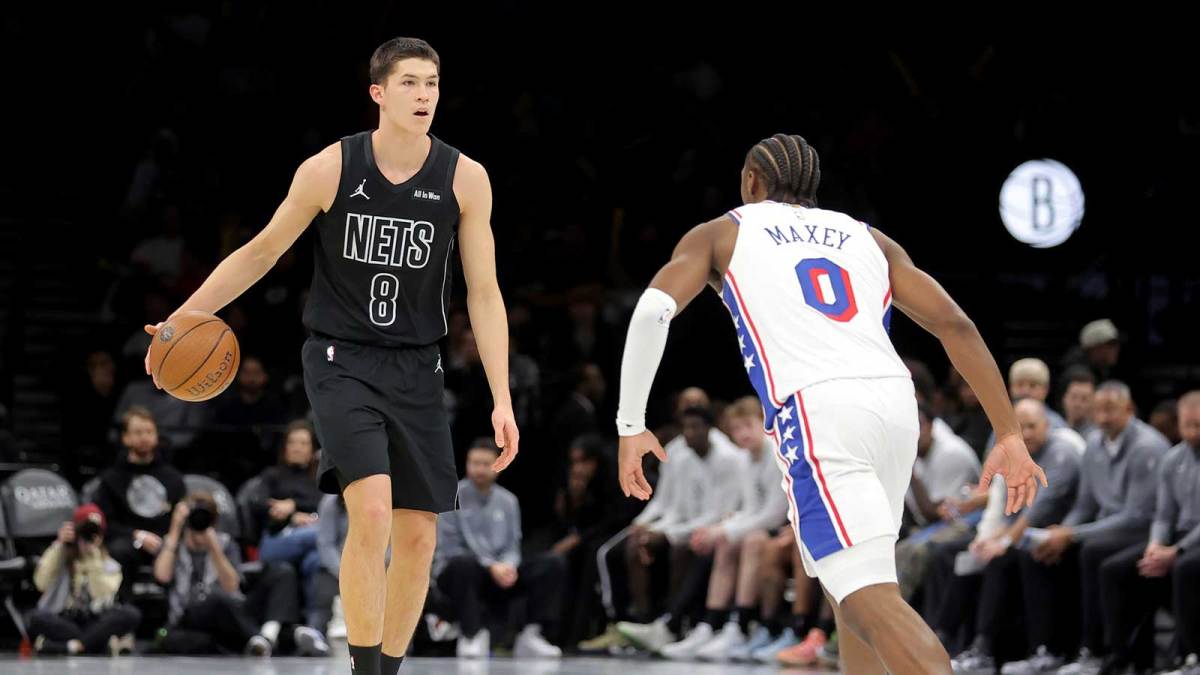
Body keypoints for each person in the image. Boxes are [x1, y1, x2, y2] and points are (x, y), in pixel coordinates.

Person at [142, 37, 518, 675]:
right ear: (378, 92)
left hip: (417, 367)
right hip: (342, 361)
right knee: (369, 511)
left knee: (420, 537)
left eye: (431, 83)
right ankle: (361, 668)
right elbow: (261, 252)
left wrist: (502, 397)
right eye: (409, 83)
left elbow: (484, 293)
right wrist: (186, 316)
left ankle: (388, 669)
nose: (424, 95)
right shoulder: (330, 168)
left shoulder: (465, 178)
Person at [613, 133, 1046, 675]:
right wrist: (1007, 433)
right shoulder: (870, 238)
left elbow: (653, 311)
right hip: (894, 406)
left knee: (870, 598)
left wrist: (631, 423)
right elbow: (954, 323)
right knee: (853, 593)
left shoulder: (723, 232)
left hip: (819, 411)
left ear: (751, 182)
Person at [28, 504, 142, 656]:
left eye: (95, 533)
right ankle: (95, 644)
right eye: (85, 532)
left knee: (131, 613)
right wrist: (59, 544)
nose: (89, 538)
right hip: (67, 619)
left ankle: (71, 647)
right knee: (36, 617)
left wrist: (94, 559)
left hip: (97, 620)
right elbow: (40, 583)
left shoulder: (110, 564)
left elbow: (100, 595)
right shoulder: (61, 556)